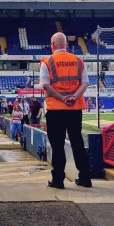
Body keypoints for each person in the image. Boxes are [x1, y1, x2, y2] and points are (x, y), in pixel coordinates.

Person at [40, 32, 92, 189]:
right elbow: (85, 83)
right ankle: (85, 178)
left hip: (56, 110)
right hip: (74, 109)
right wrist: (74, 97)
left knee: (57, 145)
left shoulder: (47, 62)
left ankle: (58, 180)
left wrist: (62, 98)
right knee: (77, 143)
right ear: (66, 45)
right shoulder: (78, 60)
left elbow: (46, 85)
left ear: (53, 45)